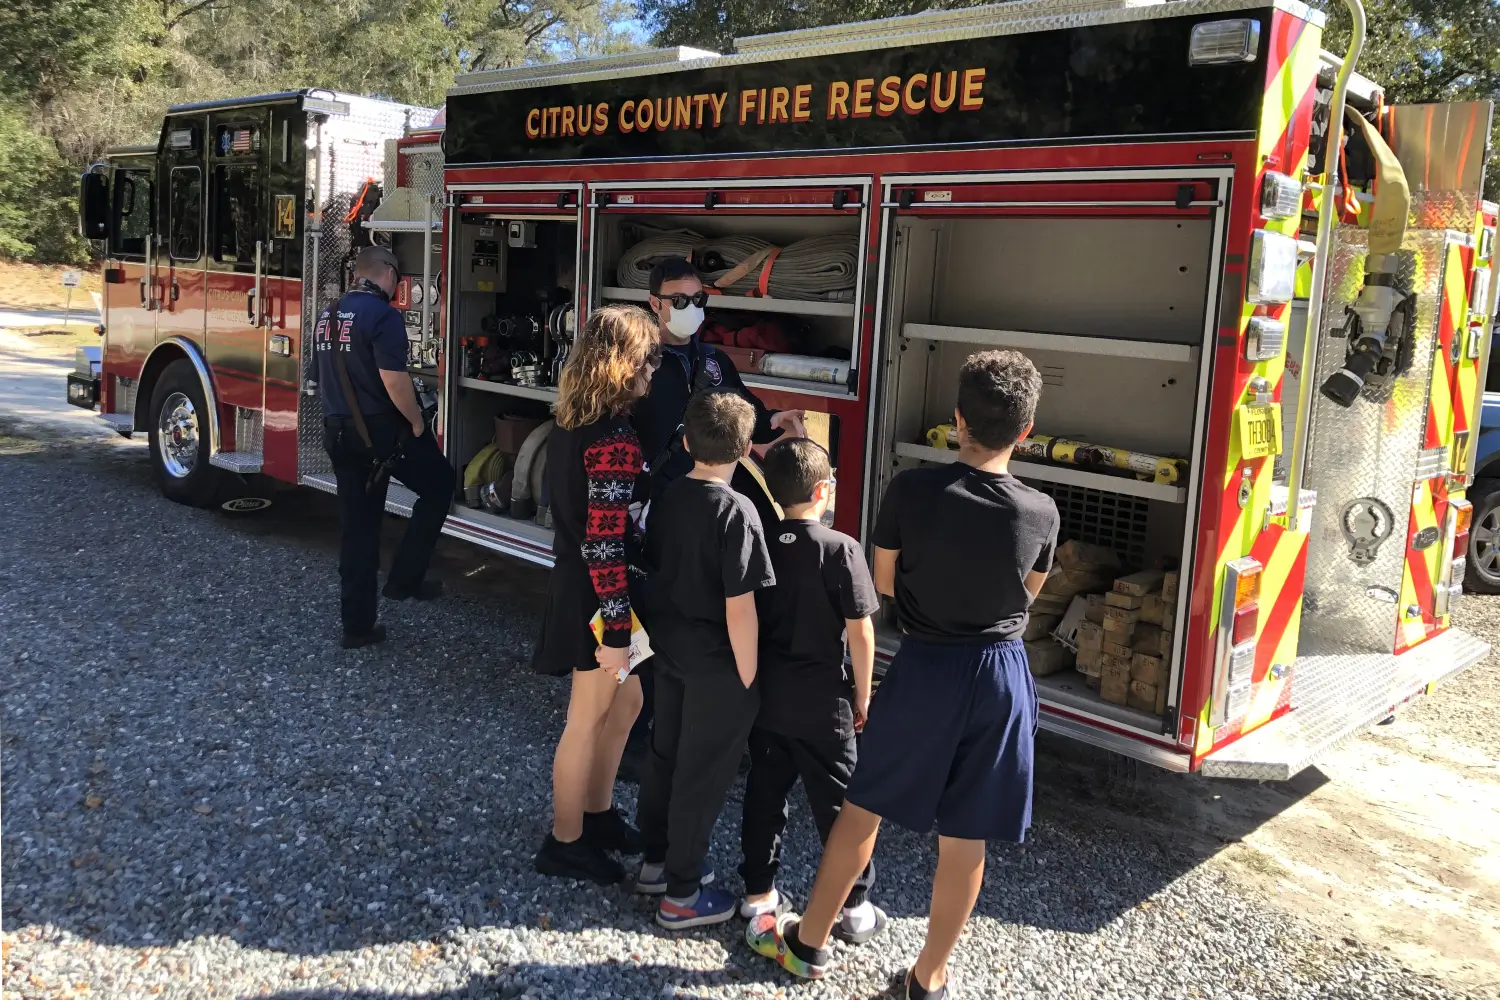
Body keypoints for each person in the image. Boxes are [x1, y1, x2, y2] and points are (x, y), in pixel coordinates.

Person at [747, 350, 1060, 1000]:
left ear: (956, 421)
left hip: (926, 665)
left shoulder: (912, 489)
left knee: (862, 810)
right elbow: (1029, 595)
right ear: (1026, 431)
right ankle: (929, 979)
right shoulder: (1042, 512)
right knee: (966, 836)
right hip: (1001, 674)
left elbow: (882, 582)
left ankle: (808, 944)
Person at [622, 257, 804, 776]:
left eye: (698, 301)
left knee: (722, 618)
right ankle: (638, 740)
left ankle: (723, 728)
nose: (690, 310)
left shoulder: (714, 362)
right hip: (660, 510)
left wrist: (776, 420)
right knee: (658, 626)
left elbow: (743, 411)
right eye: (679, 301)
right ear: (654, 303)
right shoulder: (635, 362)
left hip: (716, 504)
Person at [531, 304, 662, 885]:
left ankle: (599, 813)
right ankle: (564, 842)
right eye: (648, 358)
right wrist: (614, 628)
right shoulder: (613, 441)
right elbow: (603, 544)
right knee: (585, 720)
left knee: (627, 704)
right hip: (599, 598)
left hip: (594, 591)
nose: (655, 369)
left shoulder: (572, 425)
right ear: (623, 365)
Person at [635, 391, 775, 930]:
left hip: (669, 650)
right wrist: (748, 675)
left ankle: (656, 862)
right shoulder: (738, 511)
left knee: (666, 755)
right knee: (704, 772)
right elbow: (741, 607)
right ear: (745, 450)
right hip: (718, 661)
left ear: (687, 441)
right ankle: (682, 894)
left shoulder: (670, 496)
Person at [737, 438, 886, 944]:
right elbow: (861, 633)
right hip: (826, 705)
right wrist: (864, 696)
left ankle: (758, 893)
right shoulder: (840, 549)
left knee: (764, 794)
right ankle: (855, 905)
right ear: (824, 490)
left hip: (769, 699)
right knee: (842, 806)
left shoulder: (758, 540)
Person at [317, 246, 456, 649]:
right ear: (389, 273)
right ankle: (405, 579)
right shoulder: (384, 316)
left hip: (338, 431)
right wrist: (416, 422)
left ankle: (357, 627)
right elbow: (394, 380)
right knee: (439, 484)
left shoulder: (327, 315)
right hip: (381, 433)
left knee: (357, 529)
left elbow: (321, 376)